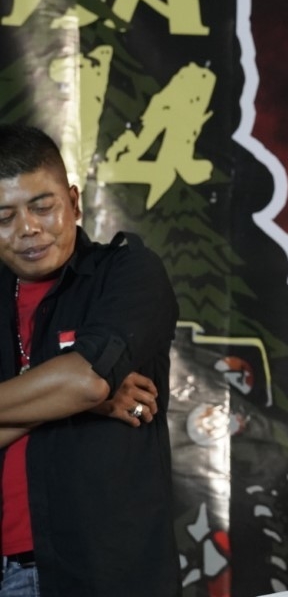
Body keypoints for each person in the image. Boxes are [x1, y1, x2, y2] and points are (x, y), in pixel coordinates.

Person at [0, 124, 180, 597]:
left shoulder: (127, 272)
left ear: (74, 203)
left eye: (43, 207)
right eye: (4, 217)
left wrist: (80, 391)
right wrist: (76, 398)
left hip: (103, 575)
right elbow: (86, 388)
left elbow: (84, 380)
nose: (28, 228)